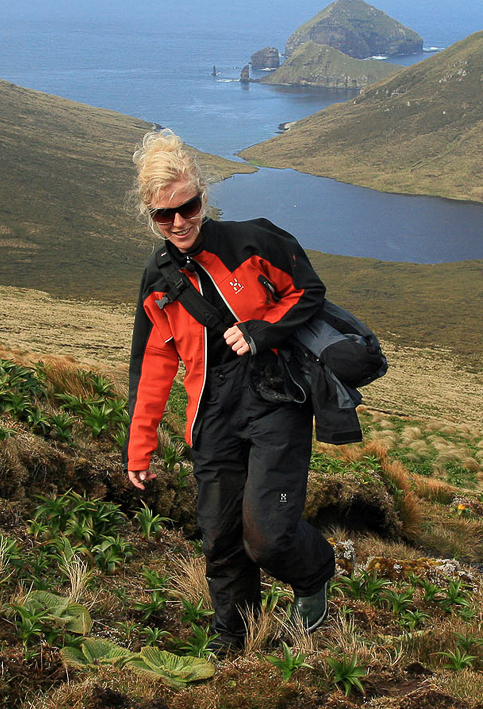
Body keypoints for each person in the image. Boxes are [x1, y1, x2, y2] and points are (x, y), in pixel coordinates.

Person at [124, 130, 336, 651]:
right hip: (211, 413)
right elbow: (152, 363)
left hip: (274, 400)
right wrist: (139, 447)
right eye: (163, 215)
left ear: (202, 195)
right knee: (220, 536)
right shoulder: (158, 279)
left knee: (267, 534)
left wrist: (263, 330)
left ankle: (313, 572)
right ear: (149, 215)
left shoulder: (253, 241)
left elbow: (308, 292)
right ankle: (233, 635)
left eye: (187, 206)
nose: (178, 222)